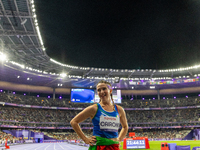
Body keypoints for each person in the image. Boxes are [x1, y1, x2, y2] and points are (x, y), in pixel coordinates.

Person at [70, 80, 128, 150]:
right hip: (99, 146)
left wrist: (119, 139)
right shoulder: (94, 108)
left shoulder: (119, 109)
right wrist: (85, 139)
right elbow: (74, 122)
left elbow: (125, 127)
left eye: (104, 89)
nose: (101, 92)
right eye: (99, 90)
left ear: (110, 90)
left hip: (114, 146)